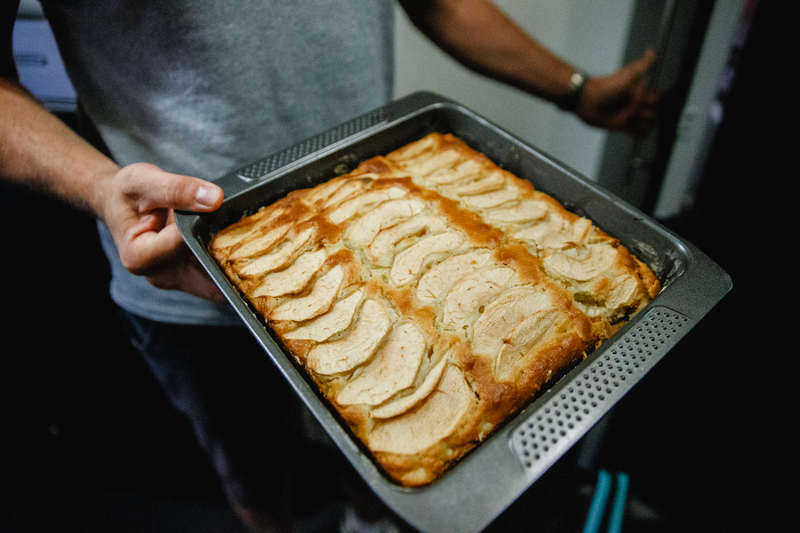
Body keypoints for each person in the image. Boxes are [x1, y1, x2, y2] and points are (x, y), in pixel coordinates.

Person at [1, 1, 658, 531]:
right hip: (183, 258)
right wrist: (98, 186)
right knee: (254, 468)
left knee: (383, 462)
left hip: (395, 202)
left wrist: (578, 91)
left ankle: (365, 518)